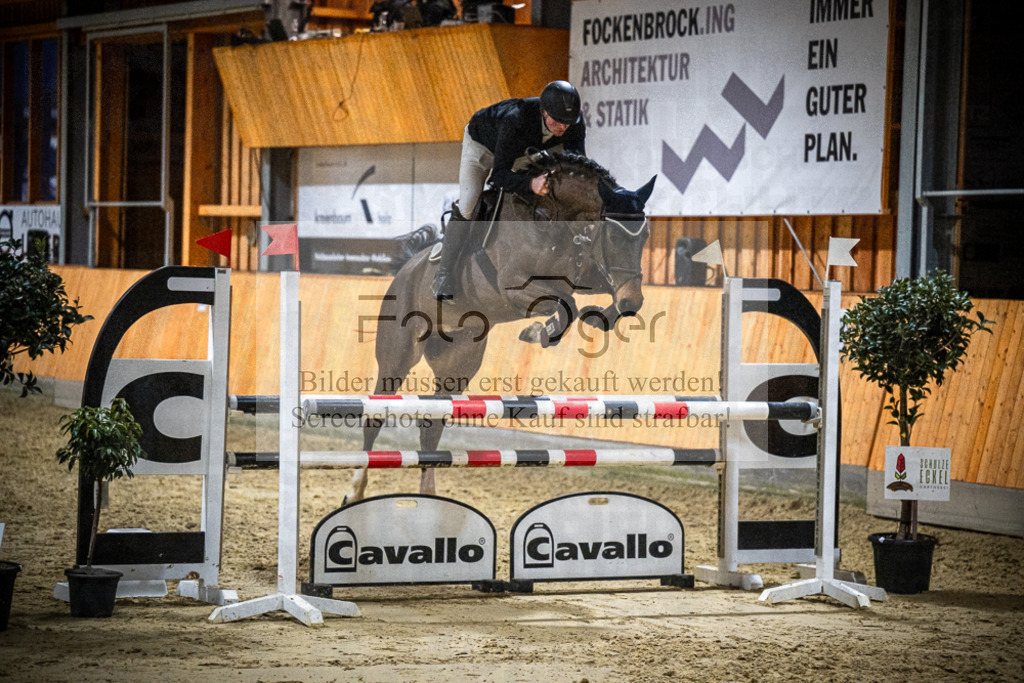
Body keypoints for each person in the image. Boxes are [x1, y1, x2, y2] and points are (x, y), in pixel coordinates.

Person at [432, 80, 587, 302]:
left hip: (519, 150)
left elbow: (578, 164)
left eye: (567, 123)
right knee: (468, 202)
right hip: (481, 146)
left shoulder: (574, 122)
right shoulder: (517, 118)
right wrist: (531, 184)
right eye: (557, 120)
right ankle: (443, 274)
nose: (562, 127)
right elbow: (498, 175)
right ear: (543, 111)